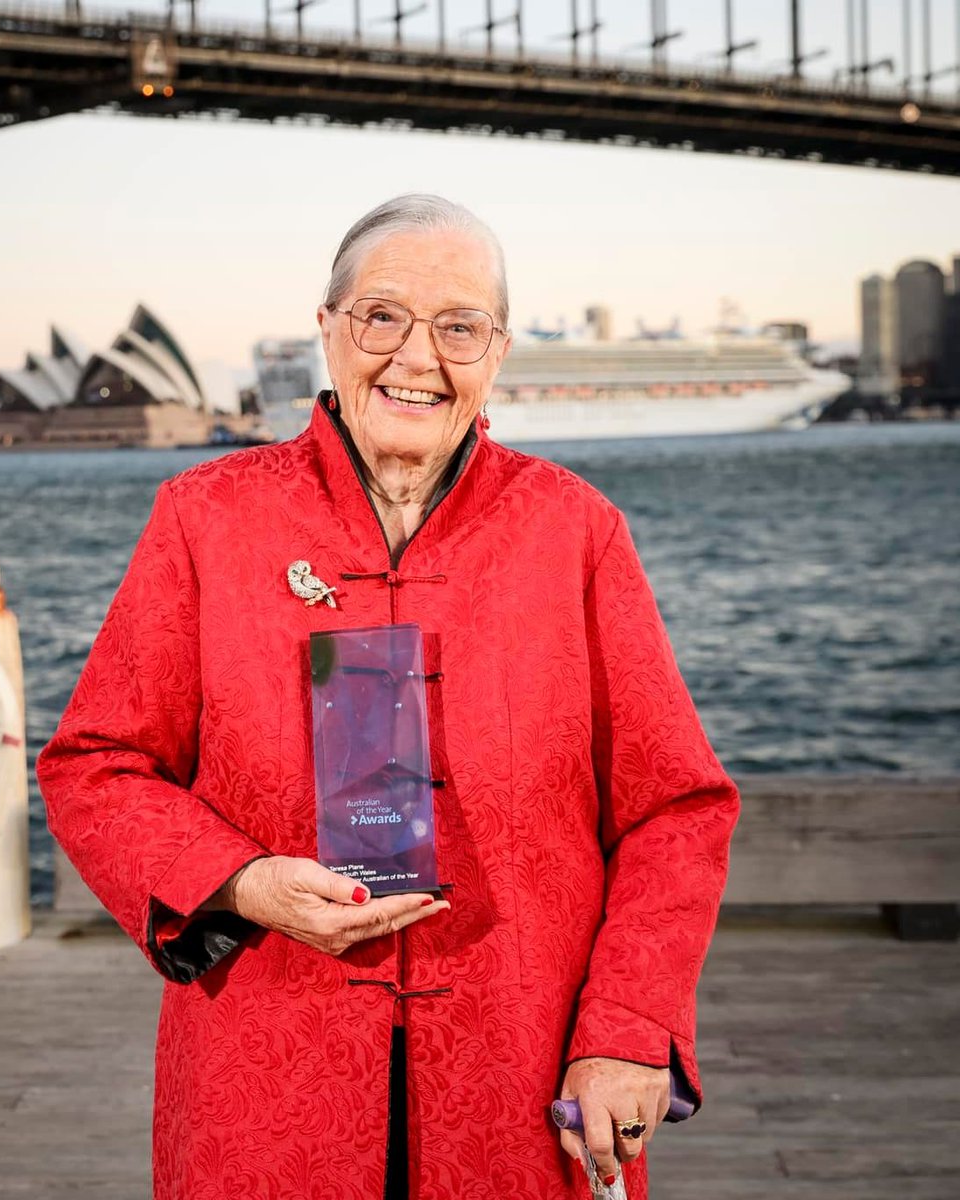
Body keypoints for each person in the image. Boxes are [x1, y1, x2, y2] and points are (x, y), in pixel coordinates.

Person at [37, 194, 739, 1200]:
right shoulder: (206, 519)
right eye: (382, 316)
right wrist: (240, 883)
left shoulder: (576, 531)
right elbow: (93, 767)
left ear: (496, 351)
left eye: (458, 327)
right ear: (326, 328)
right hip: (268, 1075)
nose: (418, 356)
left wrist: (628, 1030)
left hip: (526, 1065)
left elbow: (677, 809)